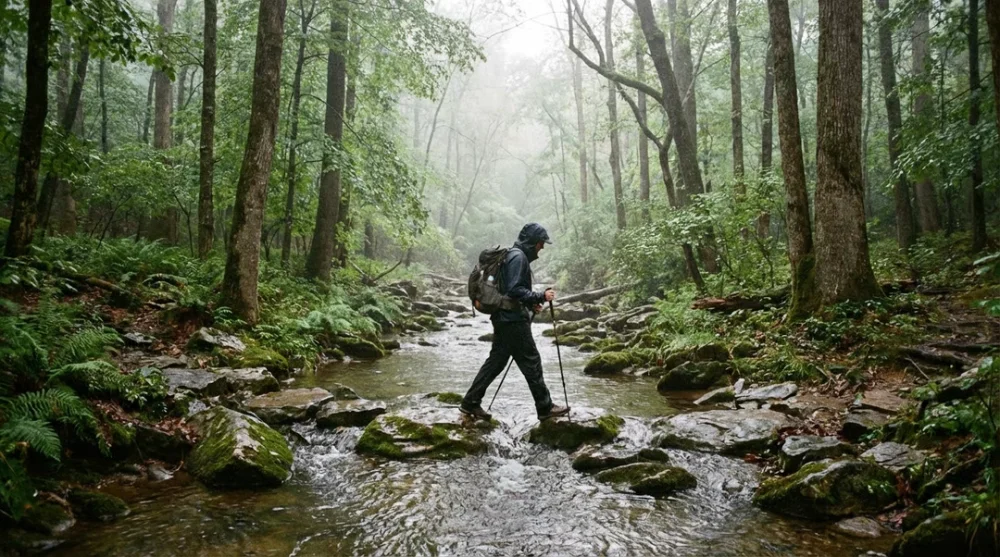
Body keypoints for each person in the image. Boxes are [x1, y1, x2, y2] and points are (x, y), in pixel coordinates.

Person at [460, 223, 570, 421]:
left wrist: (530, 304)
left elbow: (509, 291)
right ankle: (545, 408)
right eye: (540, 243)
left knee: (496, 362)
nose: (542, 248)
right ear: (532, 242)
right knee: (531, 361)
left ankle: (470, 402)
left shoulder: (512, 255)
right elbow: (514, 290)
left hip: (504, 318)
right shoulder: (518, 258)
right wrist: (540, 296)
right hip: (512, 321)